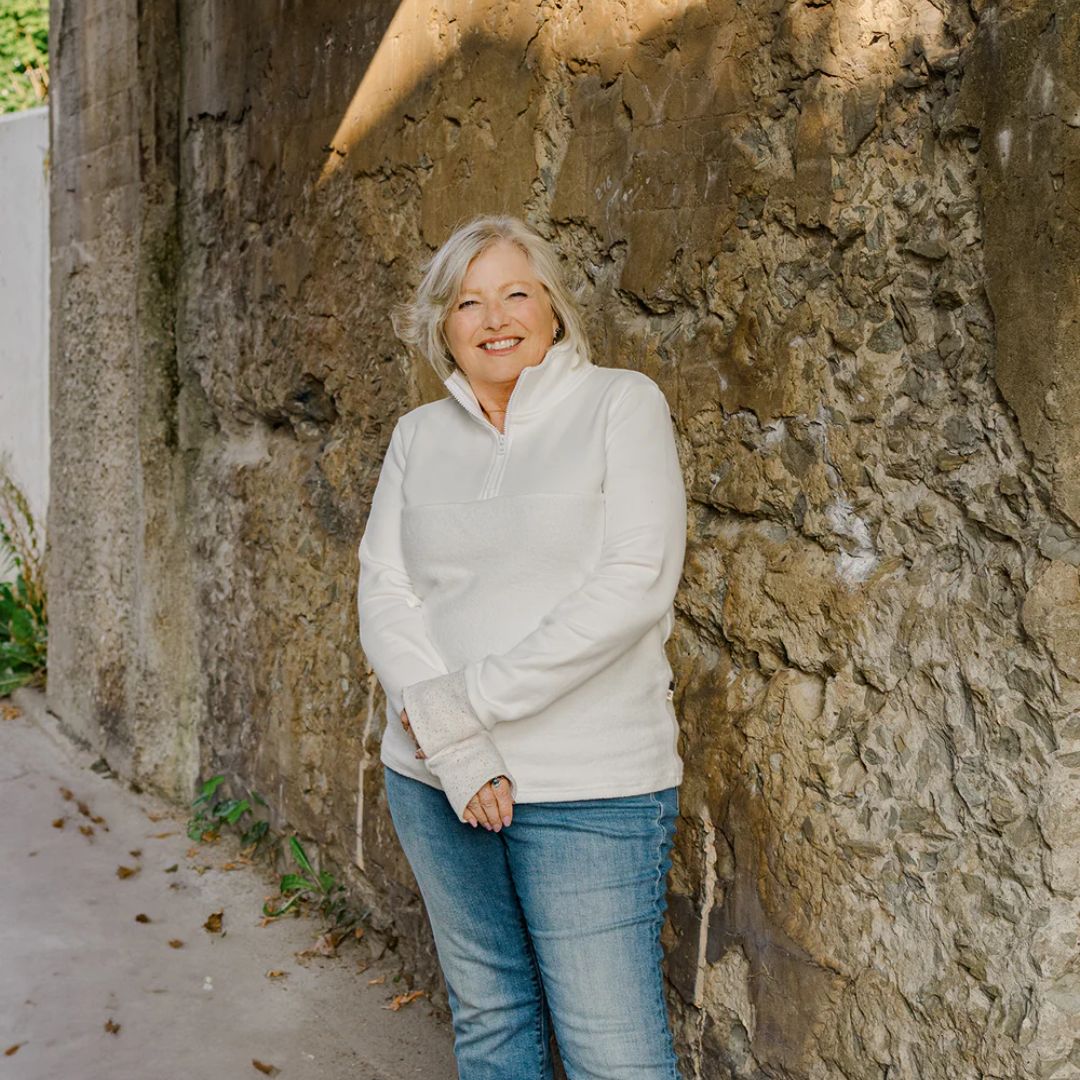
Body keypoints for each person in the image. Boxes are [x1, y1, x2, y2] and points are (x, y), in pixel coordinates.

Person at [356, 213, 688, 1080]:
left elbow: (634, 583)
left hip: (590, 786)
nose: (494, 316)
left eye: (514, 293)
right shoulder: (417, 439)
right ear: (444, 329)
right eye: (468, 301)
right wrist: (450, 743)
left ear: (554, 311)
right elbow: (385, 592)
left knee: (610, 1051)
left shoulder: (621, 404)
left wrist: (461, 708)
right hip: (432, 779)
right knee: (493, 1019)